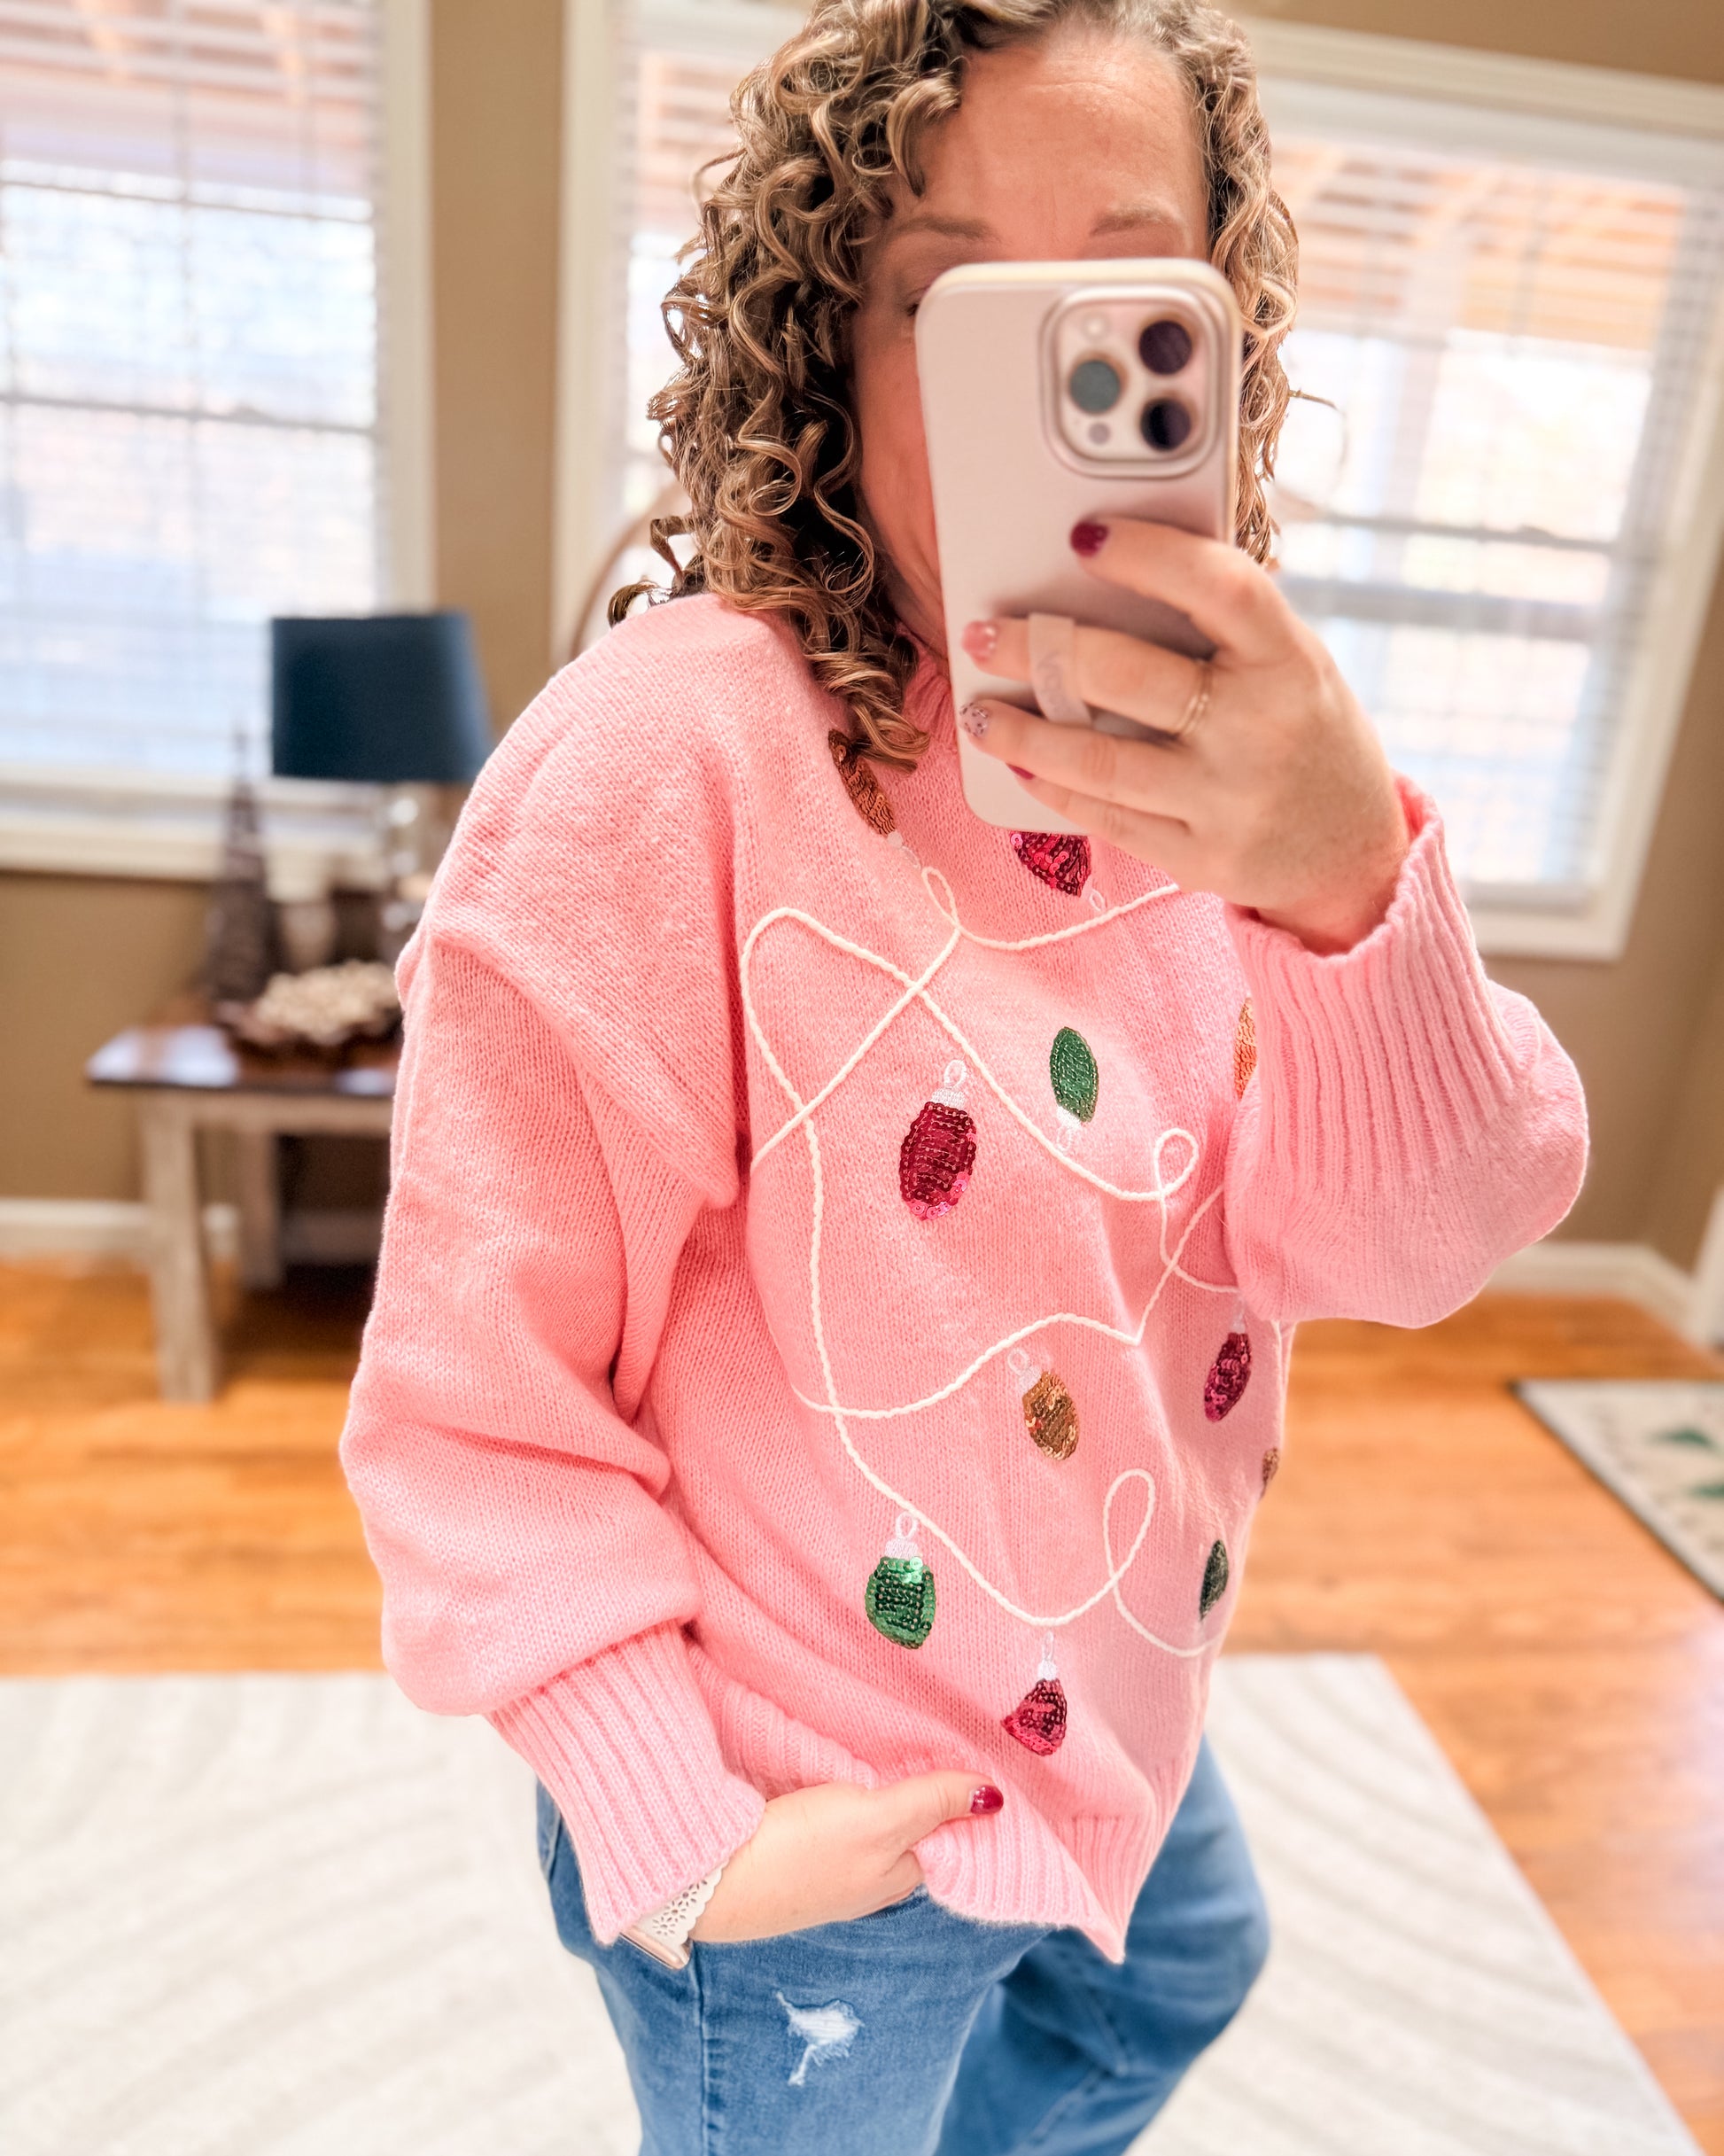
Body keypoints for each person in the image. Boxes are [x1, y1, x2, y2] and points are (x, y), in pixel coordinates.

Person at [340, 1, 1588, 2148]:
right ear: (824, 337)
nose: (1031, 375)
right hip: (811, 1812)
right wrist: (677, 1829)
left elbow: (1405, 1236)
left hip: (1109, 1693)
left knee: (1176, 1974)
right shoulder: (675, 757)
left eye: (1107, 291)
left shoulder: (1245, 766)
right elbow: (472, 1398)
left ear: (1216, 338)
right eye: (939, 296)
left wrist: (1339, 874)